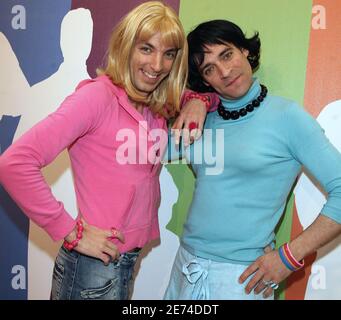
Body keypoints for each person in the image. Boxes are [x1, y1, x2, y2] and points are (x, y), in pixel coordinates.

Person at [0, 2, 217, 300]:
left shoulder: (153, 101)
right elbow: (14, 163)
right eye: (146, 49)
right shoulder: (97, 97)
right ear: (126, 46)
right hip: (91, 267)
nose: (157, 65)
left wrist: (198, 101)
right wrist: (69, 230)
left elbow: (208, 98)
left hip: (124, 261)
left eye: (169, 54)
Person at [164, 19, 341, 300]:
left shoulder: (287, 117)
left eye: (227, 54)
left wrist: (288, 257)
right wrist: (193, 99)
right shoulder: (201, 118)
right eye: (209, 68)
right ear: (204, 79)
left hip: (242, 279)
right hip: (185, 267)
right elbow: (148, 148)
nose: (224, 71)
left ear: (245, 51)